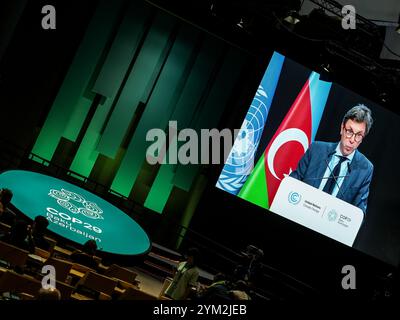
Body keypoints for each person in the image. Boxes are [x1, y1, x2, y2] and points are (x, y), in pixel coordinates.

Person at [290, 104, 374, 214]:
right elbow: (292, 183)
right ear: (342, 129)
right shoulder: (316, 149)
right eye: (349, 131)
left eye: (358, 135)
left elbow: (359, 212)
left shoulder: (366, 169)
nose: (352, 140)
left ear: (363, 138)